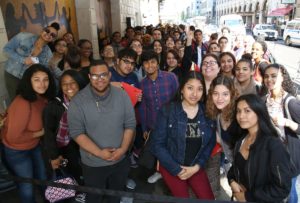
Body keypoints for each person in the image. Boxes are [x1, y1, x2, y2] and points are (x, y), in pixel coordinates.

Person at [68, 60, 136, 203]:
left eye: (103, 75)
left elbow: (130, 124)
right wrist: (100, 153)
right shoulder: (78, 101)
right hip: (93, 164)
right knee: (94, 198)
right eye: (95, 76)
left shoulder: (122, 96)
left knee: (115, 197)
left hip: (120, 160)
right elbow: (76, 133)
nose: (100, 79)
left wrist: (123, 149)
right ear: (89, 77)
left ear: (110, 75)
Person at [150, 71, 215, 199]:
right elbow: (157, 145)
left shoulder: (207, 112)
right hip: (171, 166)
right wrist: (176, 169)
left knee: (208, 199)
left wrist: (197, 166)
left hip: (195, 165)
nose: (194, 94)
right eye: (190, 88)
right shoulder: (168, 110)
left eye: (199, 89)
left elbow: (210, 143)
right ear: (181, 89)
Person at [1, 64, 56, 203]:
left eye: (46, 79)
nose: (42, 84)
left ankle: (49, 200)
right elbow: (13, 137)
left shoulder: (42, 98)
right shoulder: (22, 103)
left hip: (34, 146)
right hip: (16, 151)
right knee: (27, 186)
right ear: (28, 81)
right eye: (36, 79)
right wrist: (41, 133)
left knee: (43, 177)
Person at [227, 94, 292, 202]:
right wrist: (232, 181)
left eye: (247, 111)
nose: (241, 116)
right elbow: (235, 168)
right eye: (238, 111)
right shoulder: (241, 140)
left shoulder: (273, 145)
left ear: (259, 112)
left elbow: (282, 188)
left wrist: (247, 197)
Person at [139, 50, 179, 183]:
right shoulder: (142, 84)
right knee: (158, 150)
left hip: (172, 122)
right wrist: (145, 128)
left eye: (152, 62)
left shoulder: (171, 77)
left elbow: (178, 100)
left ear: (157, 63)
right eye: (146, 63)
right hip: (154, 124)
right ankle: (159, 172)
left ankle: (172, 175)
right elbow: (143, 107)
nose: (149, 65)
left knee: (172, 150)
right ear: (142, 65)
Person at [42, 70, 86, 182]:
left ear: (79, 83)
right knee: (70, 171)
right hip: (61, 146)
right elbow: (49, 133)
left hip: (80, 142)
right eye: (64, 84)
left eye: (72, 82)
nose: (68, 87)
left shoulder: (86, 101)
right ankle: (77, 191)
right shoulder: (54, 106)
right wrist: (54, 156)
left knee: (81, 168)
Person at [3, 22, 59, 101]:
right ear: (42, 31)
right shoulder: (23, 36)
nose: (49, 34)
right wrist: (23, 60)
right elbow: (6, 49)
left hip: (28, 79)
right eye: (47, 31)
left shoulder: (48, 54)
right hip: (12, 73)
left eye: (53, 35)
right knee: (15, 100)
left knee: (25, 101)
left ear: (53, 39)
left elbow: (41, 70)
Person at [263, 64, 299, 140]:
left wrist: (288, 123)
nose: (269, 79)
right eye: (266, 76)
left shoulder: (290, 102)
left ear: (282, 78)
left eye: (274, 76)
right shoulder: (266, 99)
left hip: (286, 149)